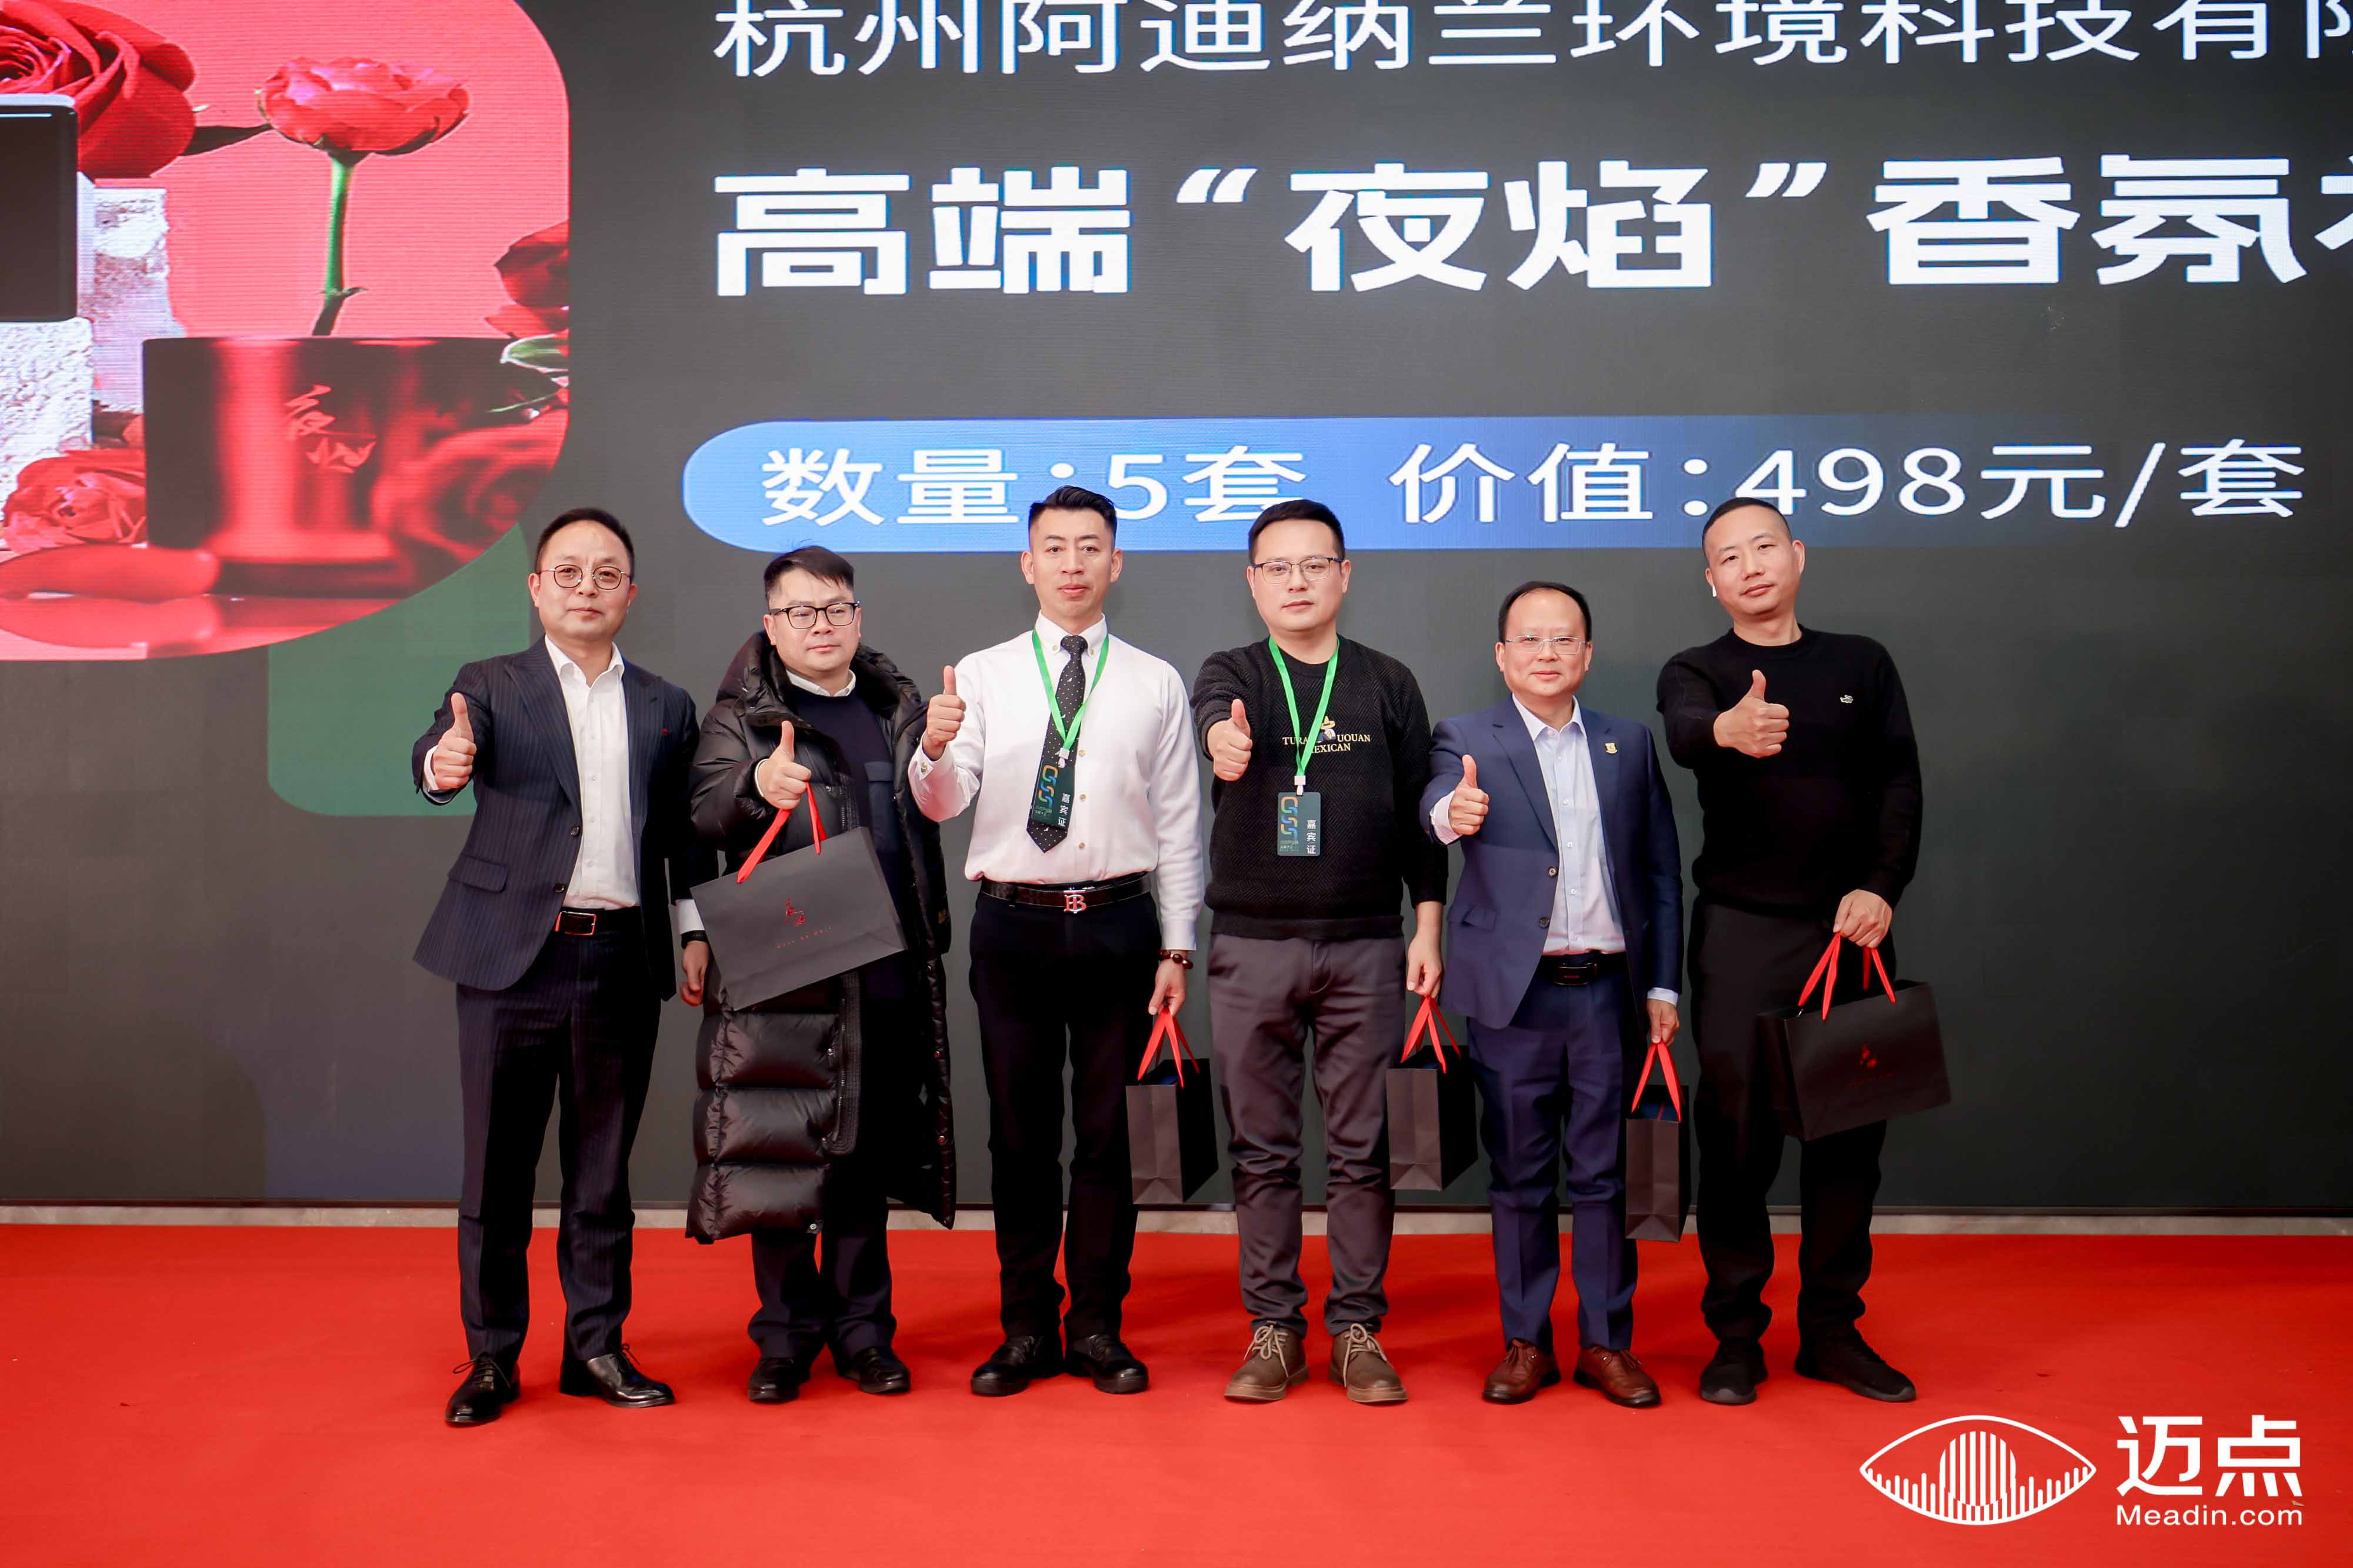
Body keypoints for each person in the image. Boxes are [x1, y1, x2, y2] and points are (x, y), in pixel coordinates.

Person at [412, 506, 715, 1426]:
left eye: (606, 573)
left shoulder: (665, 705)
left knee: (602, 1173)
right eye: (570, 571)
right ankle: (492, 1356)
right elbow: (437, 753)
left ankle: (596, 1346)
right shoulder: (489, 685)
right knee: (496, 1172)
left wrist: (693, 928)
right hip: (510, 957)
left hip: (620, 956)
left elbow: (682, 835)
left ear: (631, 592)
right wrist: (441, 764)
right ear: (537, 587)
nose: (588, 587)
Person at [910, 485, 1203, 1397]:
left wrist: (1177, 945)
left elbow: (1181, 824)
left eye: (1089, 546)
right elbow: (942, 802)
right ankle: (1027, 1327)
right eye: (1054, 546)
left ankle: (1098, 1326)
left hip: (1121, 924)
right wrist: (931, 749)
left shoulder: (1155, 680)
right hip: (1014, 925)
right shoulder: (981, 674)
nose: (1072, 563)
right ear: (1027, 562)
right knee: (1021, 1135)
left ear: (1116, 562)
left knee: (1111, 1137)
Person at [1658, 498, 1924, 1406]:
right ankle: (1736, 1334)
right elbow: (1686, 729)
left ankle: (1832, 1330)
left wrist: (1882, 886)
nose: (1751, 565)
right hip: (1741, 932)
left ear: (1798, 554)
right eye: (1729, 556)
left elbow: (1899, 781)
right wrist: (1727, 730)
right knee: (1736, 1133)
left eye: (1764, 546)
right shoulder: (1698, 670)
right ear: (1713, 580)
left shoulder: (1862, 662)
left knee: (1849, 1133)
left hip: (1852, 927)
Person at [684, 545, 958, 1404]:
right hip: (788, 978)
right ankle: (784, 1339)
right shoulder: (740, 717)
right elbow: (703, 811)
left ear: (858, 617)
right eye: (801, 612)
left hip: (888, 967)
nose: (821, 626)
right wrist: (757, 784)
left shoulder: (896, 708)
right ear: (772, 625)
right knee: (782, 1159)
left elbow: (931, 815)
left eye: (836, 608)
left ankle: (865, 1334)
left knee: (862, 1161)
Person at [1191, 499, 1445, 1406]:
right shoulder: (1233, 672)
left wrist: (1427, 925)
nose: (1296, 581)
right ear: (1253, 580)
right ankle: (1274, 1328)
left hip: (1367, 946)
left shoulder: (1388, 683)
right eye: (1277, 567)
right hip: (1251, 945)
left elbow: (1422, 815)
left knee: (1361, 1150)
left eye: (1313, 564)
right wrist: (1224, 743)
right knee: (1260, 1151)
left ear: (1345, 574)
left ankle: (1357, 1330)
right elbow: (1213, 722)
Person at [1422, 582, 1684, 1408]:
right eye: (1529, 639)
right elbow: (1435, 805)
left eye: (1563, 639)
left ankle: (1607, 1343)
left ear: (1587, 654)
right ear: (1502, 655)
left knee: (1606, 1175)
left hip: (1609, 992)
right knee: (1520, 1176)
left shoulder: (1628, 743)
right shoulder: (1466, 737)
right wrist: (1453, 811)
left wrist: (1663, 983)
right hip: (1515, 998)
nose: (1547, 653)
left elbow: (1661, 873)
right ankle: (1527, 1341)